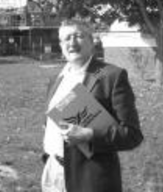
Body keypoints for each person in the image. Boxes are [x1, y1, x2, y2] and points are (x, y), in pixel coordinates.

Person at [42, 20, 143, 192]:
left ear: (92, 41)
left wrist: (89, 134)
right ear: (60, 44)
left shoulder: (112, 76)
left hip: (89, 177)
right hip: (53, 171)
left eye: (78, 36)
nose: (72, 43)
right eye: (66, 38)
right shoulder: (56, 79)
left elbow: (132, 135)